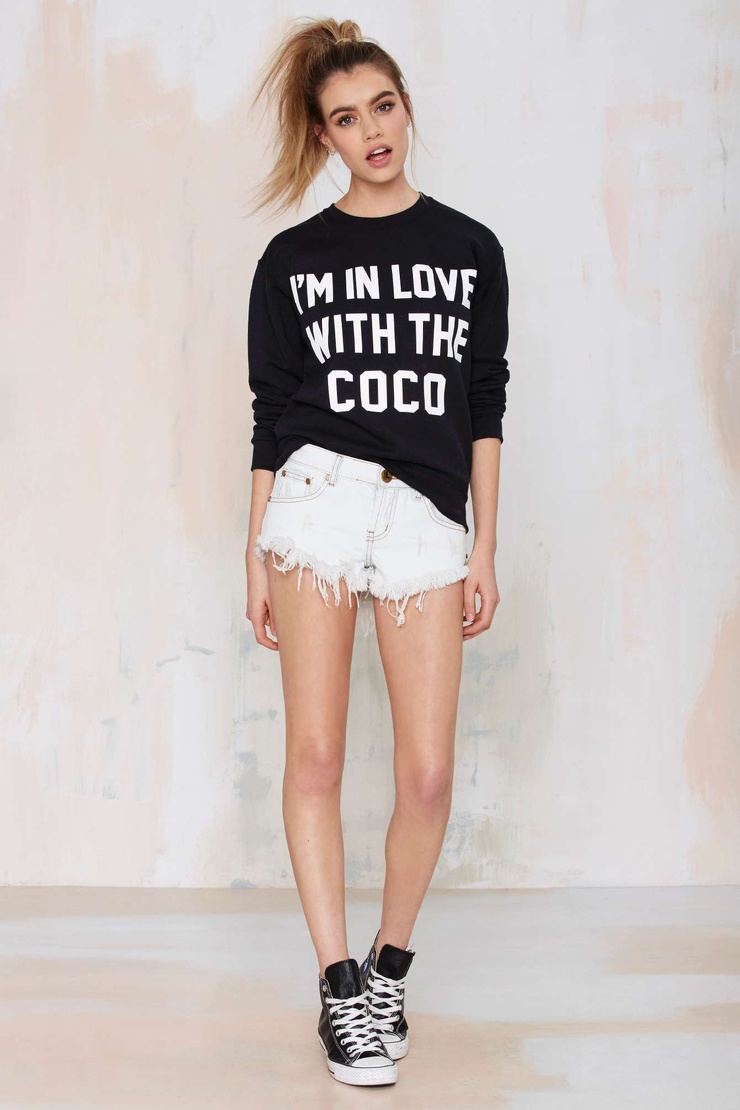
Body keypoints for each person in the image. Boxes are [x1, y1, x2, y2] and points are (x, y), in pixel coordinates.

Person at [244, 16, 510, 1088]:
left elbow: (483, 403)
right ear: (325, 138)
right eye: (346, 119)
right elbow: (271, 415)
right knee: (314, 756)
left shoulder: (470, 249)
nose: (372, 132)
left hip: (424, 519)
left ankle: (389, 966)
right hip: (313, 505)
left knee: (427, 771)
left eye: (383, 107)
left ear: (405, 107)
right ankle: (338, 988)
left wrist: (482, 544)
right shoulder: (291, 261)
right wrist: (253, 553)